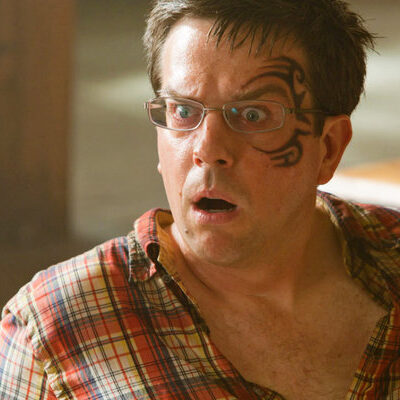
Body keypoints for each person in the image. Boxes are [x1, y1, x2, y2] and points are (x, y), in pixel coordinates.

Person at [1, 0, 399, 398]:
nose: (207, 149)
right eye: (182, 111)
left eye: (253, 115)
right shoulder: (52, 332)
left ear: (328, 148)